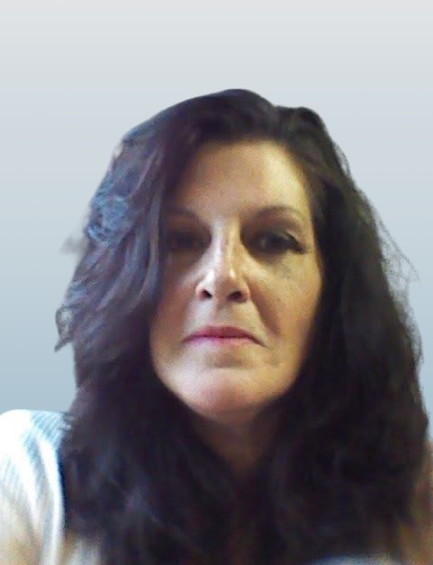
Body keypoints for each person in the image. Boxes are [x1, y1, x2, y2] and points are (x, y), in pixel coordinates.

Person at [0, 89, 431, 565]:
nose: (223, 276)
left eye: (273, 241)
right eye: (179, 241)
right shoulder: (27, 475)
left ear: (333, 288)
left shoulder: (418, 499)